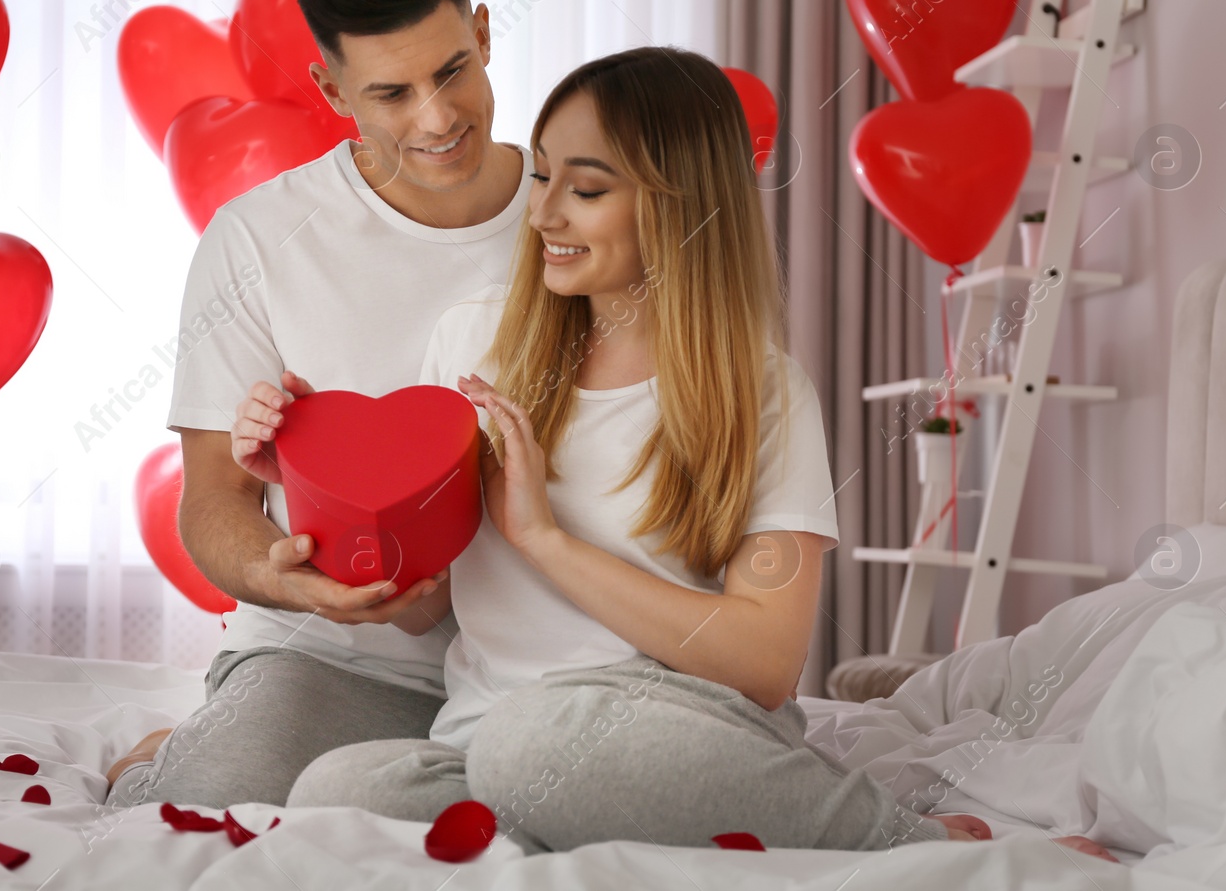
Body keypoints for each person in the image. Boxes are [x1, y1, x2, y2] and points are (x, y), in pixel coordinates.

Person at [258, 46, 1117, 859]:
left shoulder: (761, 391)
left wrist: (548, 540)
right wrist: (309, 483)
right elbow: (421, 603)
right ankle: (600, 819)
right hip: (487, 738)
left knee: (531, 748)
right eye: (546, 174)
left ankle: (900, 838)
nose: (544, 212)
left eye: (585, 190)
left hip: (668, 724)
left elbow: (767, 665)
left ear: (677, 205)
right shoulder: (472, 342)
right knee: (337, 786)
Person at [105, 0, 534, 809]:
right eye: (390, 94)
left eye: (453, 70)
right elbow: (216, 496)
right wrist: (281, 575)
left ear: (485, 33)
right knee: (201, 810)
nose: (438, 116)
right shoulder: (257, 239)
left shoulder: (577, 221)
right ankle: (176, 750)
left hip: (542, 658)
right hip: (337, 658)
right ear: (332, 92)